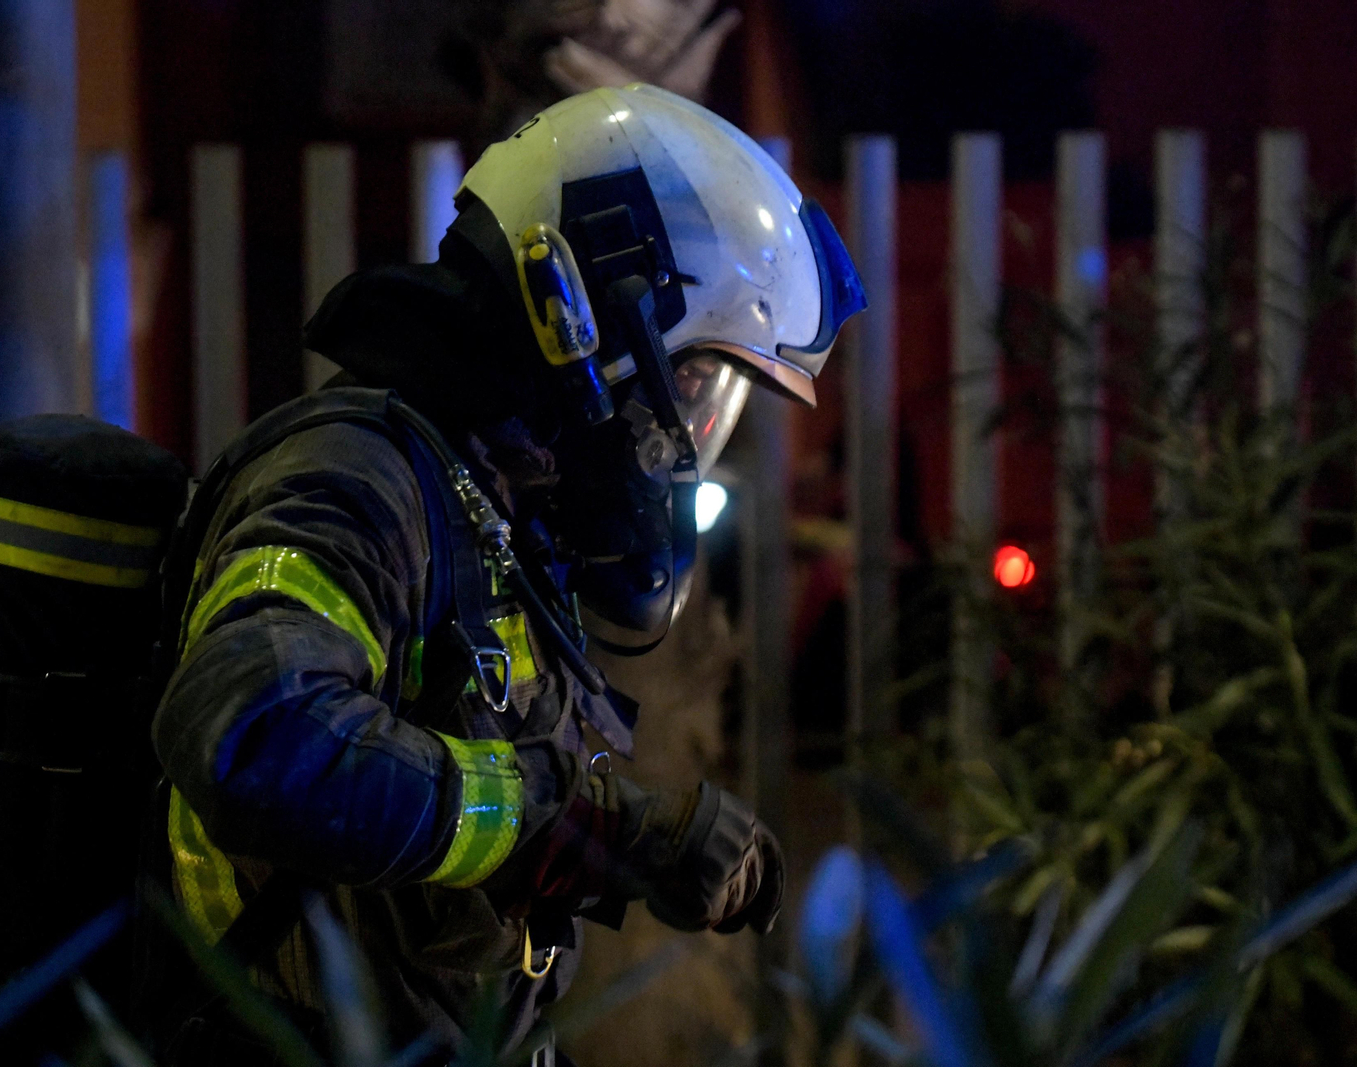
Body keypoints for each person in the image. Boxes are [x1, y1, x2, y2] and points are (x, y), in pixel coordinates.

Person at [152, 83, 865, 1065]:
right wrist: (581, 823)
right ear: (591, 311)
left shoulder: (487, 498)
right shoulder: (356, 478)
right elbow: (253, 733)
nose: (684, 439)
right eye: (695, 381)